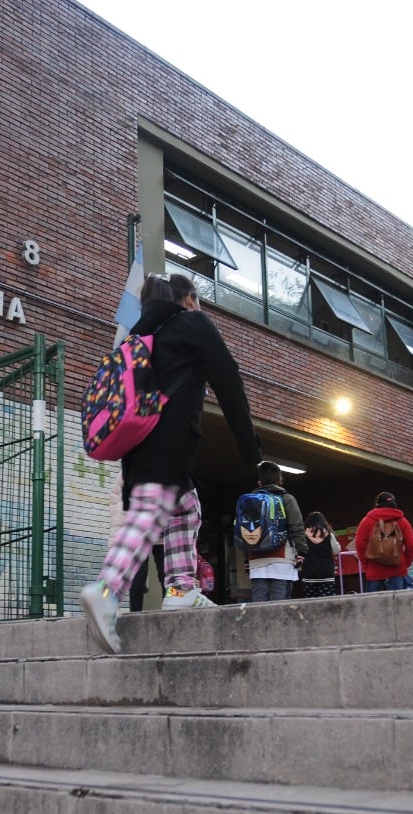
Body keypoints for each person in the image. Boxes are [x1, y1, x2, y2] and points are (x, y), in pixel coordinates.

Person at [80, 272, 261, 653]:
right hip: (169, 441)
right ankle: (106, 590)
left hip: (136, 446)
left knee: (185, 508)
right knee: (151, 513)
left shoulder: (139, 337)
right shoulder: (191, 323)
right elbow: (228, 377)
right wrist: (250, 448)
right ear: (189, 298)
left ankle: (180, 588)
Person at [245, 461, 308, 602]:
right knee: (279, 607)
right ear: (280, 480)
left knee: (259, 608)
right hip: (282, 559)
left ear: (259, 482)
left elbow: (244, 530)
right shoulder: (286, 498)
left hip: (256, 560)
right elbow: (296, 526)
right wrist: (301, 552)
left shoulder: (249, 501)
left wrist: (246, 557)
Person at [354, 491, 413, 592]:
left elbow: (359, 544)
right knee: (396, 604)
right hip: (397, 568)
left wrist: (366, 564)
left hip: (374, 568)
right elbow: (411, 545)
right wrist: (405, 563)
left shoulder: (367, 520)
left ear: (377, 504)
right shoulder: (402, 521)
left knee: (372, 604)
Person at [299, 511, 340, 598]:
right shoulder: (329, 535)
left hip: (309, 575)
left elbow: (299, 551)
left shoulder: (303, 536)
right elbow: (336, 550)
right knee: (326, 602)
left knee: (311, 603)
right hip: (326, 574)